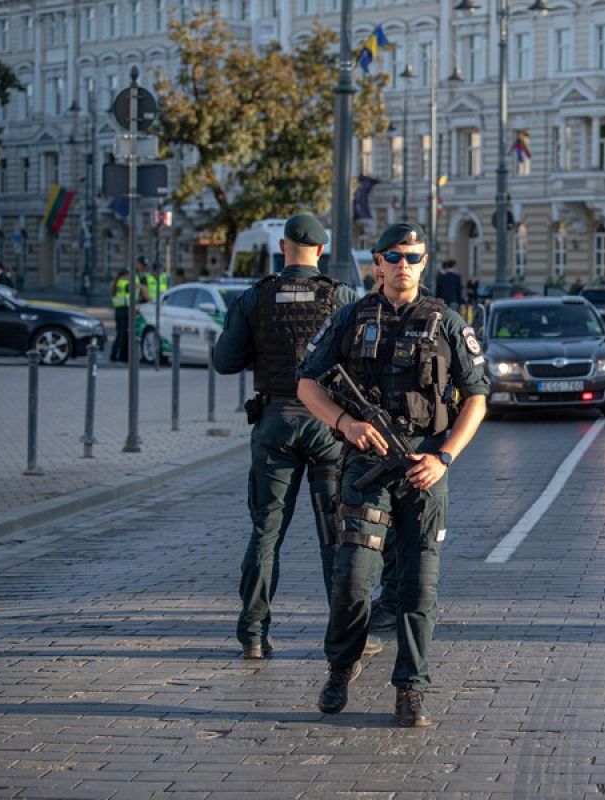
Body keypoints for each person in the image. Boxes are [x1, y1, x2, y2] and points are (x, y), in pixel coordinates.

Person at [297, 221, 489, 724]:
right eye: (395, 257)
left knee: (417, 589)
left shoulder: (447, 321)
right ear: (376, 263)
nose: (405, 266)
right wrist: (345, 423)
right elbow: (306, 385)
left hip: (424, 467)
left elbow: (476, 399)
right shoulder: (351, 318)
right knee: (352, 583)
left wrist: (444, 456)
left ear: (424, 263)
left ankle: (411, 687)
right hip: (367, 467)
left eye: (414, 257)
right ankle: (341, 667)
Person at [211, 213, 383, 663]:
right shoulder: (342, 297)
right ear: (321, 252)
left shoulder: (256, 297)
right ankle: (343, 639)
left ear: (283, 247)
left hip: (274, 423)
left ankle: (253, 633)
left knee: (266, 532)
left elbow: (225, 361)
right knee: (336, 533)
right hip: (328, 425)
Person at [109, 266, 147, 362]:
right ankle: (123, 356)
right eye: (128, 274)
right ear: (124, 275)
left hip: (118, 310)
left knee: (120, 333)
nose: (130, 276)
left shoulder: (116, 283)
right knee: (125, 334)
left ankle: (113, 355)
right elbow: (130, 297)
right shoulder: (126, 284)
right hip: (126, 310)